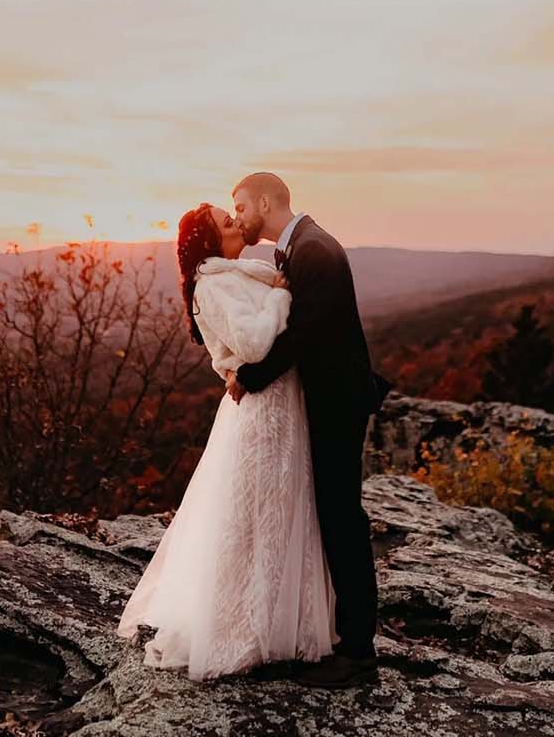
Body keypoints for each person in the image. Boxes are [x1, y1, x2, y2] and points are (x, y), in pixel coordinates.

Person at [115, 201, 337, 681]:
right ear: (209, 239)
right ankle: (248, 631)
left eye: (232, 215)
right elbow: (254, 345)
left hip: (281, 403)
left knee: (285, 510)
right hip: (264, 412)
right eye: (225, 220)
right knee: (261, 518)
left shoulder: (237, 274)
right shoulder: (213, 285)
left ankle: (285, 625)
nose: (235, 222)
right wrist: (279, 298)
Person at [226, 172, 388, 689]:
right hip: (330, 400)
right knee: (333, 516)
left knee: (342, 519)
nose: (239, 216)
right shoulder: (304, 246)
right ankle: (342, 637)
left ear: (265, 202)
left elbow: (303, 335)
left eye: (241, 206)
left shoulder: (314, 250)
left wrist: (248, 377)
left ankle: (358, 653)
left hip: (337, 403)